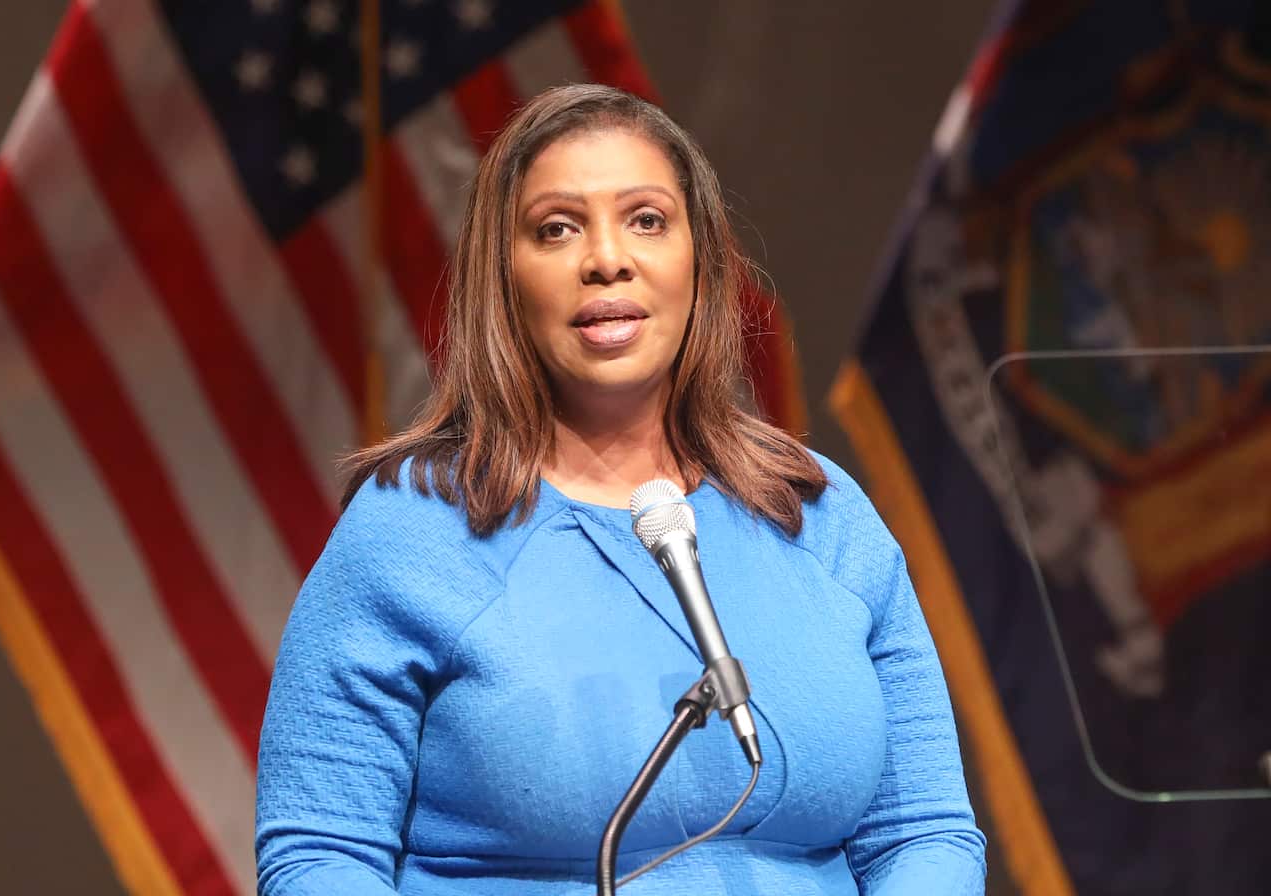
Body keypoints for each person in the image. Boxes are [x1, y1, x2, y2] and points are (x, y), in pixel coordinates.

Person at [255, 83, 986, 895]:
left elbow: (924, 835)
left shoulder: (817, 514)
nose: (607, 257)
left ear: (702, 261)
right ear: (504, 279)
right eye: (557, 228)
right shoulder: (412, 532)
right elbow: (319, 861)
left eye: (646, 219)